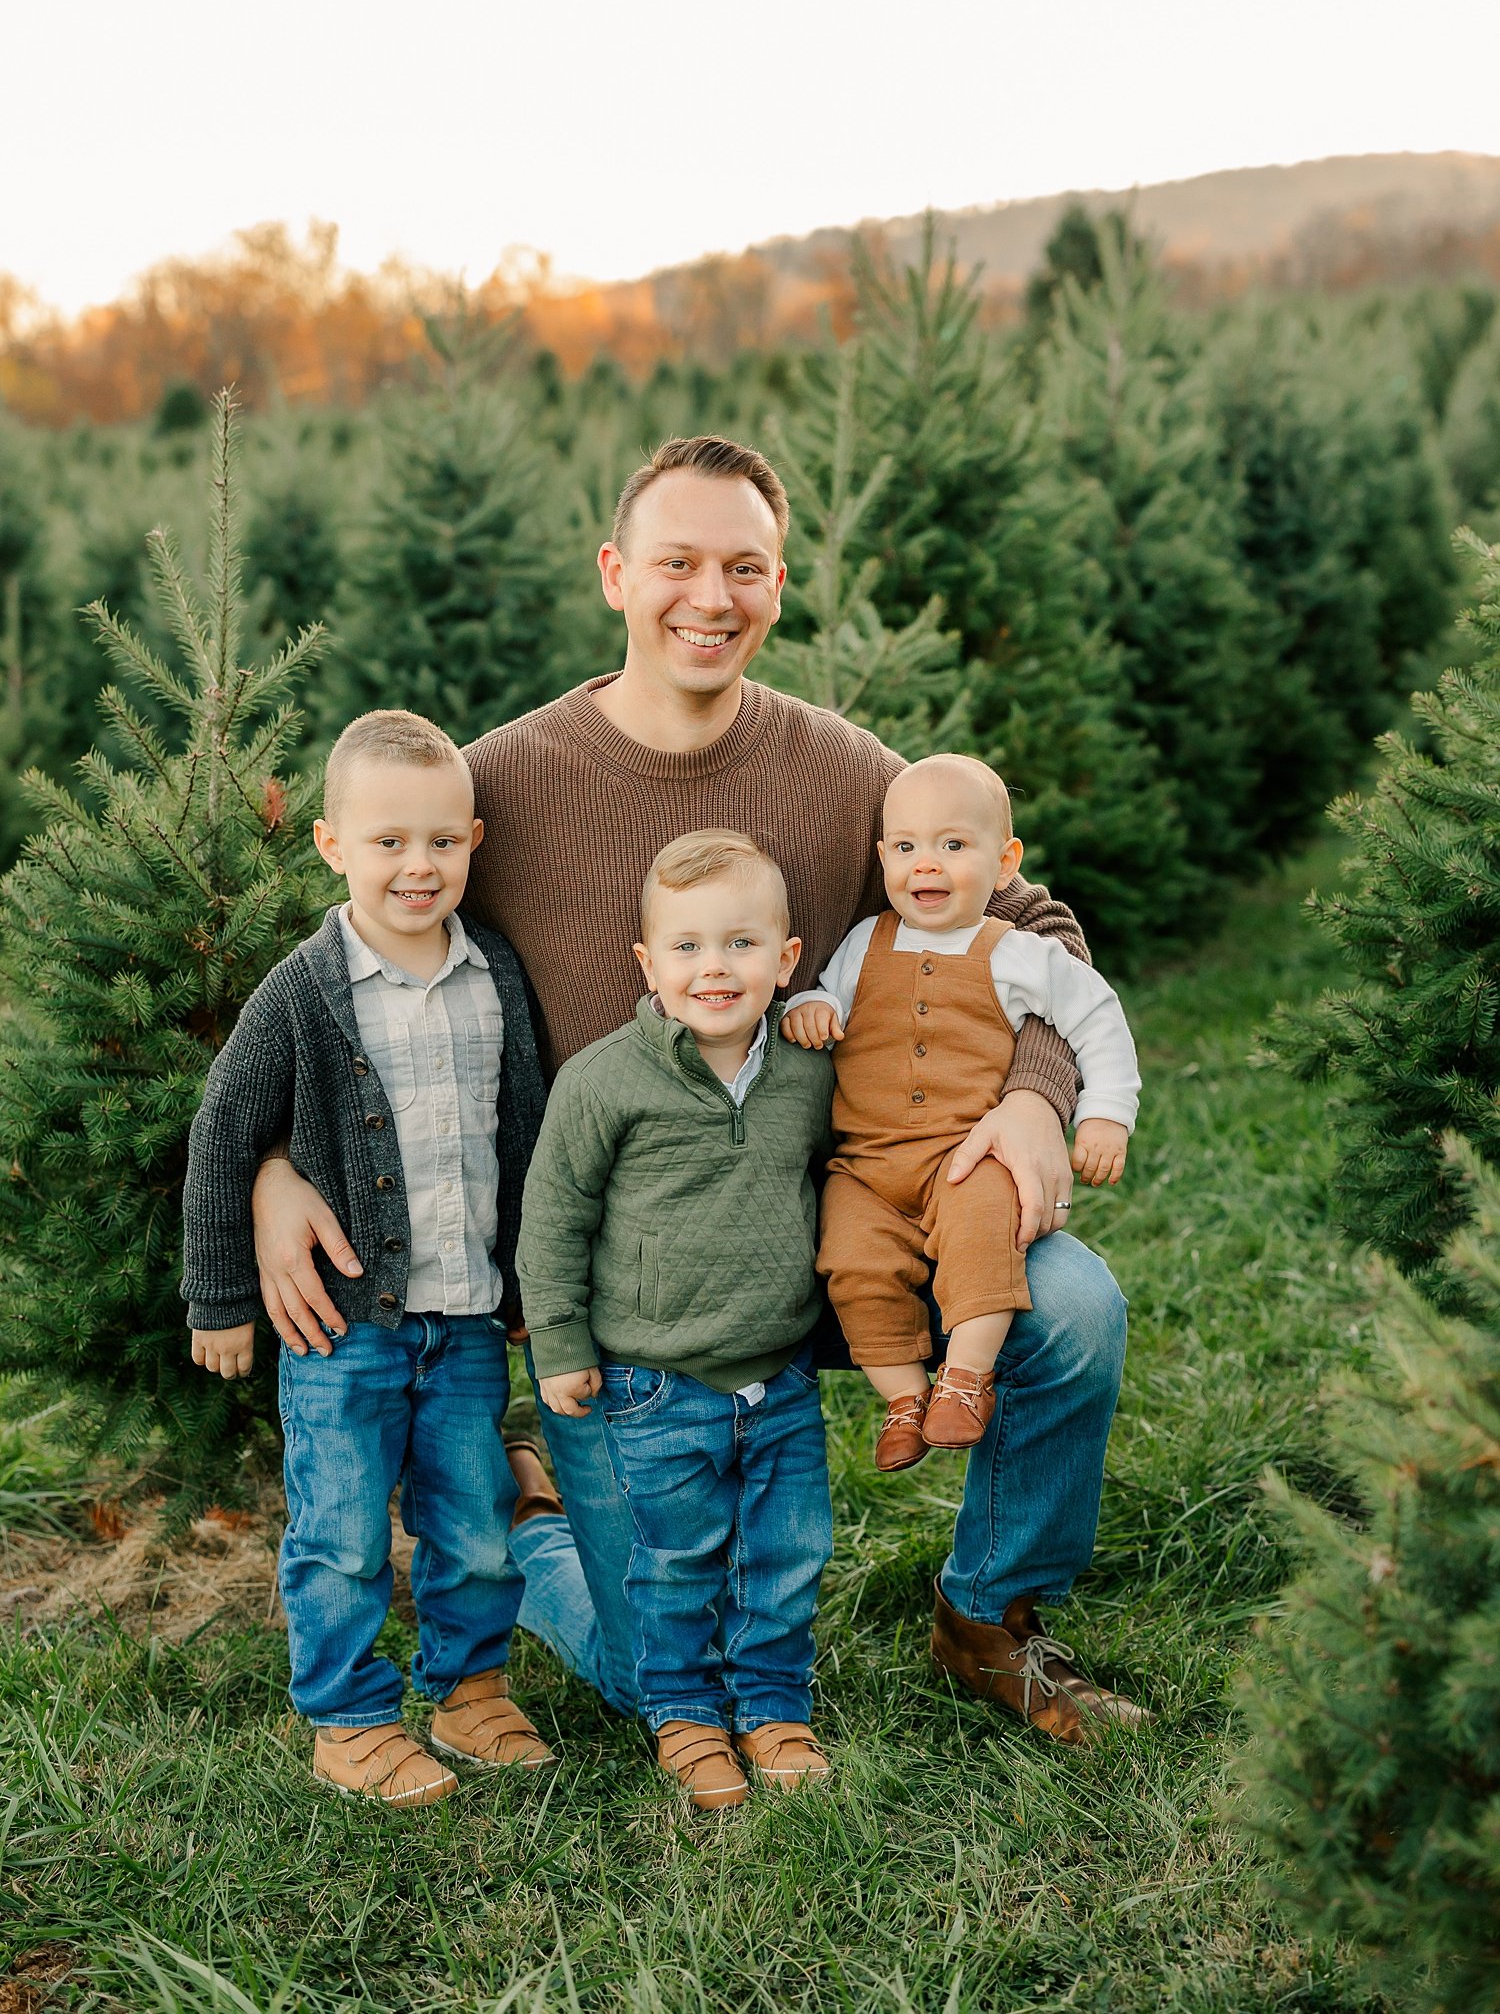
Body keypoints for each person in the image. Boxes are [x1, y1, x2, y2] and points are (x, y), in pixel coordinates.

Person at [251, 435, 1148, 1744]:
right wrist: (276, 1164)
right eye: (678, 562)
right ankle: (533, 1521)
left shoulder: (844, 772)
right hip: (640, 1302)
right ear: (617, 573)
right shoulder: (503, 785)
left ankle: (990, 1613)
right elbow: (344, 972)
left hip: (851, 1238)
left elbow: (1037, 921)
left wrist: (1033, 1091)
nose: (710, 598)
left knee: (1071, 1301)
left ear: (780, 585)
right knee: (647, 1671)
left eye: (745, 567)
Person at [182, 710, 571, 1804]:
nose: (418, 865)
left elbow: (523, 1133)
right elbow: (224, 1131)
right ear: (331, 844)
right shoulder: (305, 990)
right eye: (389, 841)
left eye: (442, 842)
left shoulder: (493, 971)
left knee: (475, 1521)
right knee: (344, 1529)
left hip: (464, 1320)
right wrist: (220, 1298)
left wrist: (532, 1282)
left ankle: (470, 1690)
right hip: (342, 1328)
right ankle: (349, 1717)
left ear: (474, 843)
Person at [518, 831, 836, 1810]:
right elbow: (552, 1218)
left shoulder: (808, 1072)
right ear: (650, 966)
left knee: (783, 1553)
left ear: (785, 962)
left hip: (781, 1376)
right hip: (652, 1383)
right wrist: (562, 1347)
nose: (715, 968)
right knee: (675, 1564)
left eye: (741, 945)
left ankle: (774, 1705)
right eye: (689, 948)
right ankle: (685, 1716)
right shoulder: (604, 1082)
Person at [781, 752, 1140, 1472]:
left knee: (983, 1241)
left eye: (954, 846)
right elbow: (822, 993)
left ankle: (966, 1379)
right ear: (883, 857)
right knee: (851, 1261)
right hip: (866, 1168)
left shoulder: (1017, 953)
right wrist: (811, 1007)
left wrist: (1103, 1114)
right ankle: (904, 1398)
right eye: (907, 848)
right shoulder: (864, 941)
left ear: (1005, 862)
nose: (928, 867)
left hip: (966, 1155)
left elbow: (1097, 1015)